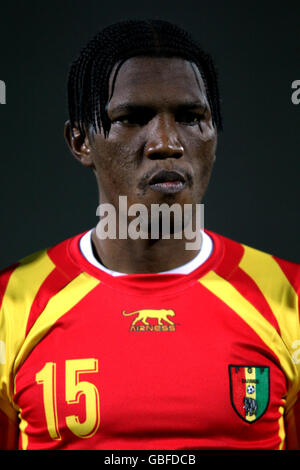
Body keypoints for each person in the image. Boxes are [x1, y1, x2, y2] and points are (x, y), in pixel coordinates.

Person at [0, 19, 299, 451]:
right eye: (133, 118)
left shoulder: (290, 300)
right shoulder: (12, 308)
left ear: (214, 134)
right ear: (80, 140)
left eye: (190, 117)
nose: (165, 142)